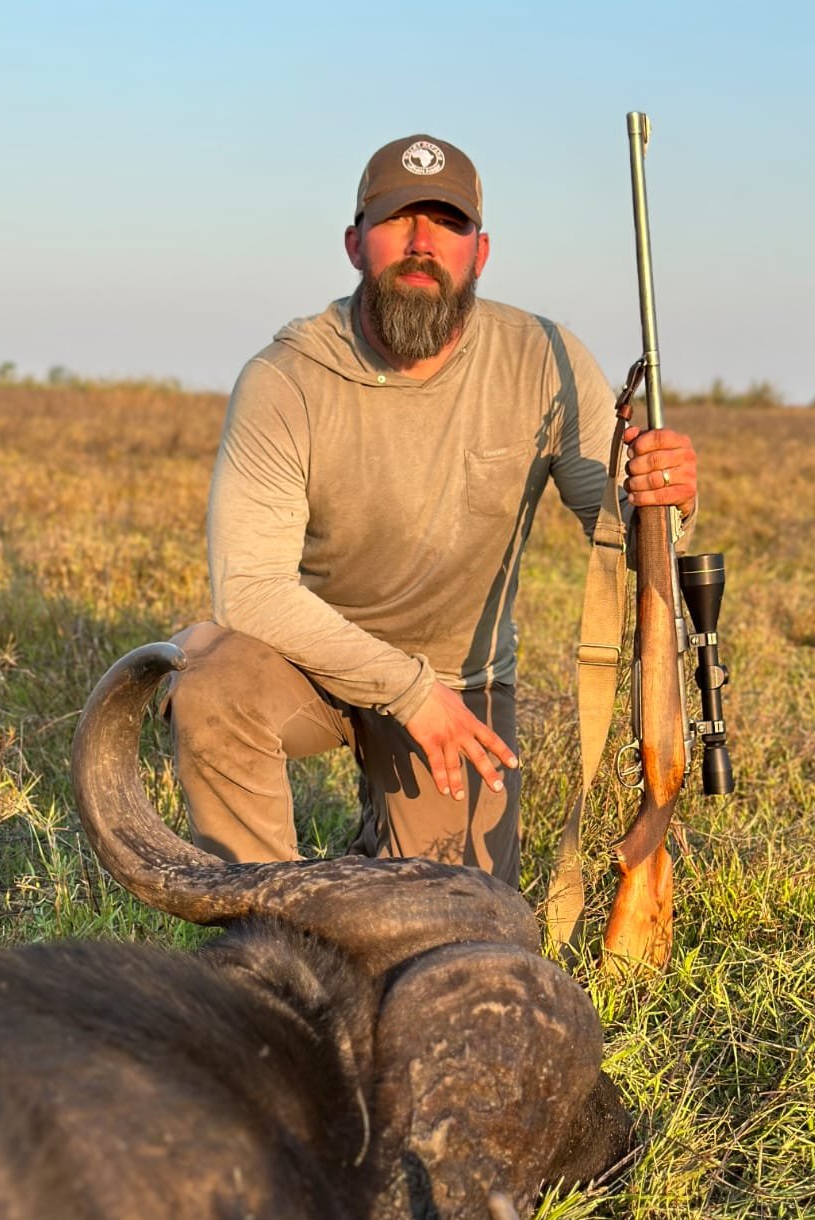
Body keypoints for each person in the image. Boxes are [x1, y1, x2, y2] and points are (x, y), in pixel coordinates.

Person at [168, 134, 698, 887]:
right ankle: (261, 924)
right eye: (397, 222)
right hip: (311, 663)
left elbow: (616, 527)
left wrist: (665, 493)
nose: (422, 245)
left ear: (480, 252)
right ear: (356, 244)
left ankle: (381, 842)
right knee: (211, 683)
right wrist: (408, 693)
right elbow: (249, 590)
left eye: (447, 225)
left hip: (462, 681)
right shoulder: (284, 377)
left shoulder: (545, 358)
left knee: (461, 921)